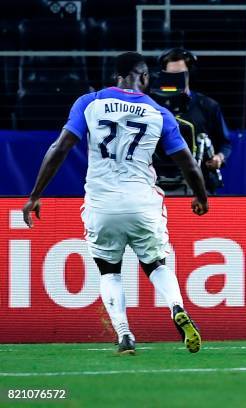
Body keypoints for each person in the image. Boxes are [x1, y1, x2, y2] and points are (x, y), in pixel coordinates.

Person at [22, 52, 209, 355]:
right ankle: (177, 307)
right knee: (156, 263)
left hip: (101, 203)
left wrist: (34, 195)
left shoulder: (88, 103)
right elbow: (187, 162)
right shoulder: (159, 112)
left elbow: (60, 148)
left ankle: (124, 334)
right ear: (144, 76)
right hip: (141, 203)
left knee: (110, 271)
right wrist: (201, 197)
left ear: (117, 77)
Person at [159, 47, 232, 194]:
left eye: (180, 74)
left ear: (189, 74)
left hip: (200, 186)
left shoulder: (208, 106)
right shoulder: (153, 106)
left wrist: (219, 157)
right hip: (159, 185)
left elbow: (225, 143)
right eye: (171, 74)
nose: (176, 78)